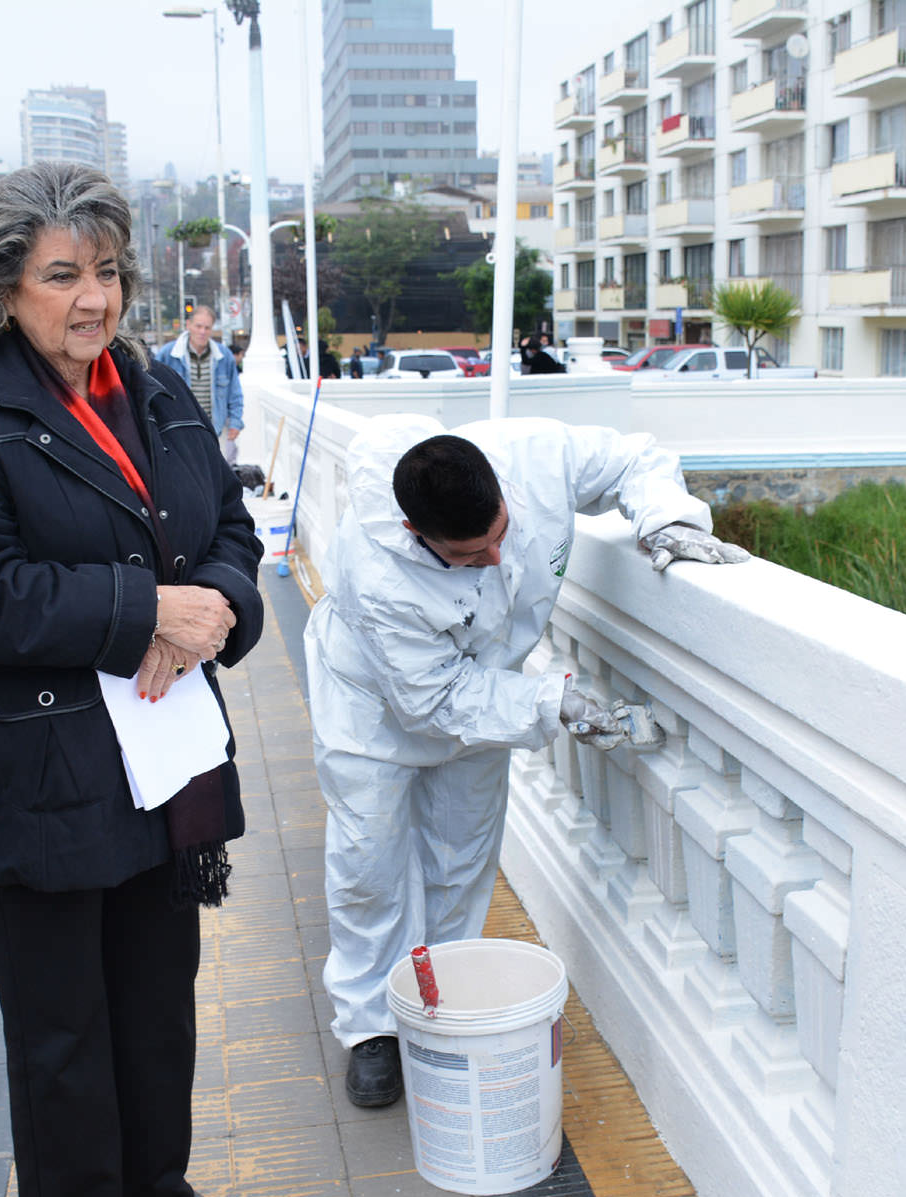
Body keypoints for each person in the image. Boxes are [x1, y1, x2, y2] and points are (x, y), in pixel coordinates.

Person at [0, 161, 263, 1197]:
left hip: (163, 748)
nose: (90, 298)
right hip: (38, 762)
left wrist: (216, 609)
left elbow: (230, 528)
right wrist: (139, 609)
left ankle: (152, 1173)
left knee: (157, 986)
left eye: (104, 270)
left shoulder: (151, 388)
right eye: (61, 274)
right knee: (60, 1015)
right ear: (2, 286)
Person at [304, 416, 749, 1108]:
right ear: (411, 530)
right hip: (373, 708)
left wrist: (661, 517)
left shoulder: (537, 455)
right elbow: (435, 701)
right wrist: (555, 703)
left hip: (489, 688)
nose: (493, 557)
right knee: (371, 863)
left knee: (460, 852)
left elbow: (636, 455)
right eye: (468, 554)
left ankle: (438, 1002)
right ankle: (370, 1026)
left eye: (499, 534)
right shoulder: (374, 570)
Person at [154, 304, 243, 464]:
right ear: (188, 325)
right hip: (178, 431)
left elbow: (234, 393)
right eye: (198, 326)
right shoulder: (168, 354)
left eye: (207, 328)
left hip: (215, 430)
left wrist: (235, 423)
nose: (202, 332)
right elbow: (153, 392)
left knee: (216, 479)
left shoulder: (224, 356)